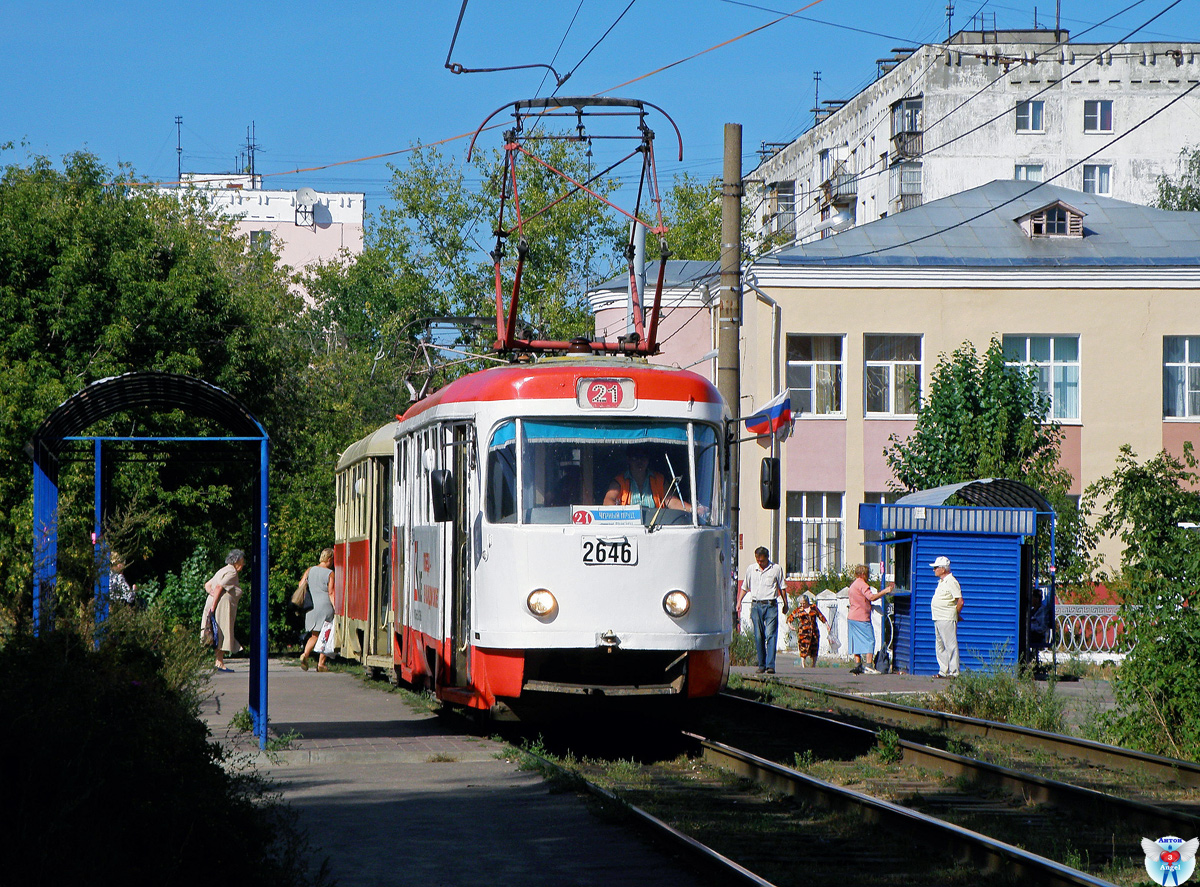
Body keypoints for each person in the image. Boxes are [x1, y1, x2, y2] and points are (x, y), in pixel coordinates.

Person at [603, 446, 705, 518]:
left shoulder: (659, 480)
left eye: (643, 458)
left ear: (648, 460)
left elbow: (672, 502)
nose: (640, 462)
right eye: (635, 458)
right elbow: (608, 501)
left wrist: (695, 510)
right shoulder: (619, 482)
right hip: (628, 530)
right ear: (628, 460)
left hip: (655, 530)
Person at [735, 546, 788, 674]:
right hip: (756, 605)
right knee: (759, 636)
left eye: (762, 561)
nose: (760, 563)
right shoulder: (751, 569)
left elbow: (782, 587)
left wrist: (785, 604)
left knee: (771, 635)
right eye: (758, 560)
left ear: (767, 558)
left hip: (771, 605)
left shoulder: (776, 569)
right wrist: (739, 601)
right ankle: (761, 664)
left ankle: (770, 665)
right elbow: (745, 587)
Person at [201, 549, 245, 672]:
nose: (243, 564)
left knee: (216, 631)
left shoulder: (222, 570)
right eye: (242, 561)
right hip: (221, 606)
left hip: (215, 602)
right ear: (236, 561)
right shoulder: (232, 572)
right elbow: (220, 586)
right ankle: (219, 663)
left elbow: (207, 585)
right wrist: (213, 607)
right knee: (222, 632)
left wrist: (211, 593)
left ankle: (218, 661)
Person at [846, 564, 894, 675]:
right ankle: (868, 665)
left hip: (852, 616)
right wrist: (885, 591)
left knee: (855, 641)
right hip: (862, 617)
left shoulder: (853, 585)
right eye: (867, 574)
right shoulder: (862, 584)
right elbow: (871, 597)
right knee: (870, 640)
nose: (868, 576)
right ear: (863, 574)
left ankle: (858, 665)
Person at [299, 548, 336, 672]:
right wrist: (336, 607)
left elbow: (301, 585)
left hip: (311, 607)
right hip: (325, 606)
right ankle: (321, 664)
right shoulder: (330, 573)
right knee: (327, 634)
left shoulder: (310, 570)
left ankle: (305, 654)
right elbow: (331, 592)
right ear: (329, 559)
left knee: (314, 635)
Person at [930, 555, 964, 678]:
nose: (934, 570)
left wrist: (956, 614)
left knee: (950, 644)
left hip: (947, 617)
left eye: (936, 568)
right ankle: (943, 670)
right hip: (938, 617)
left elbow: (960, 601)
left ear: (943, 569)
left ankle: (954, 672)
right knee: (940, 645)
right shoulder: (941, 581)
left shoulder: (951, 581)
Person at [786, 591, 827, 668]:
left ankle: (813, 665)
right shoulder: (799, 610)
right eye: (801, 603)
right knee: (803, 648)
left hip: (814, 631)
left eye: (803, 603)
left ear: (807, 602)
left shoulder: (813, 608)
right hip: (803, 633)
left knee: (814, 648)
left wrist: (827, 625)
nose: (802, 605)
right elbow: (789, 618)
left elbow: (821, 617)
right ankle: (803, 665)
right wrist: (790, 626)